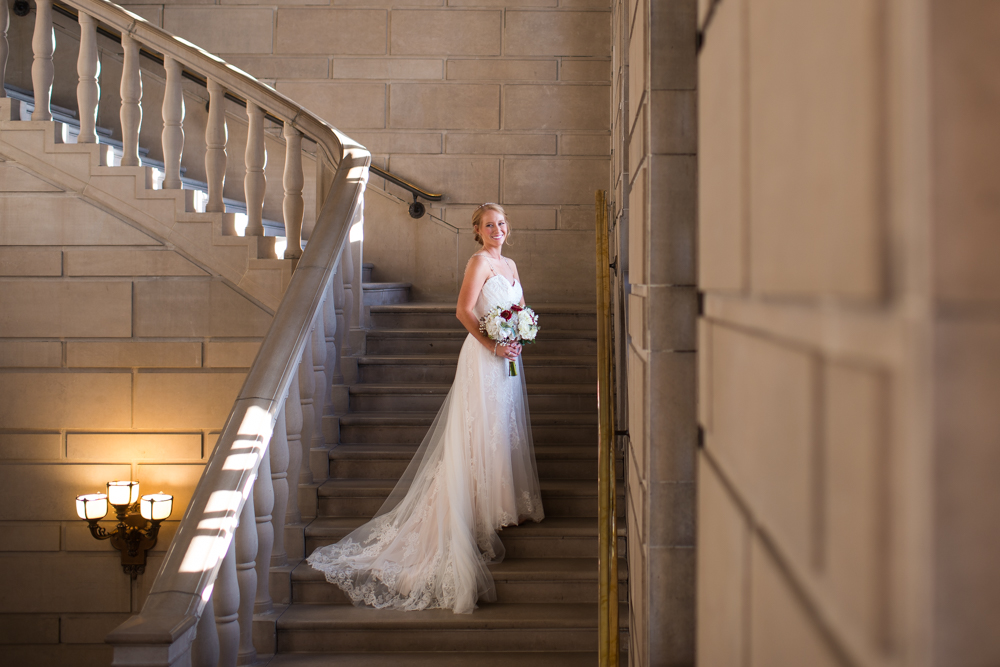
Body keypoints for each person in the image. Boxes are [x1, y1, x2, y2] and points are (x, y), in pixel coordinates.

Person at [307, 203, 545, 614]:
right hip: (483, 357)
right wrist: (493, 344)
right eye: (489, 225)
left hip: (508, 356)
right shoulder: (478, 263)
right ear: (477, 230)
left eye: (502, 223)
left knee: (502, 428)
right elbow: (464, 312)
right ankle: (471, 509)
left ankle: (500, 504)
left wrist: (518, 335)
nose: (497, 229)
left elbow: (518, 311)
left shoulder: (511, 264)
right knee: (479, 430)